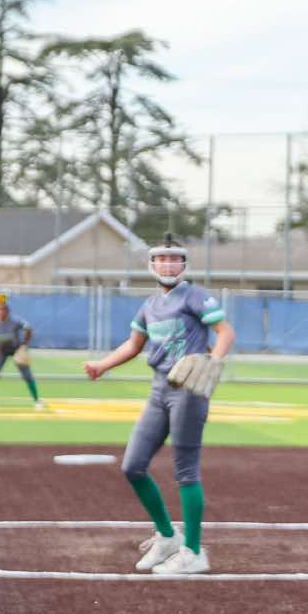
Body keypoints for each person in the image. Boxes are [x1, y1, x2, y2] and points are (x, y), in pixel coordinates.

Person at [83, 241, 234, 576]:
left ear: (184, 265)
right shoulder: (150, 305)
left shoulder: (195, 296)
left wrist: (214, 360)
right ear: (152, 264)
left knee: (186, 471)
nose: (168, 265)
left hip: (188, 391)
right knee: (133, 466)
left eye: (174, 259)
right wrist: (102, 365)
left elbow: (225, 332)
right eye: (161, 259)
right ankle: (167, 536)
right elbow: (134, 344)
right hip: (159, 389)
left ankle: (193, 552)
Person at [0, 298, 44, 410]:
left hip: (16, 350)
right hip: (1, 351)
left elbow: (28, 328)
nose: (1, 312)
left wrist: (24, 344)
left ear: (8, 311)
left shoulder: (15, 321)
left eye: (3, 309)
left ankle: (37, 401)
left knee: (27, 375)